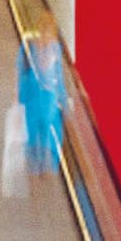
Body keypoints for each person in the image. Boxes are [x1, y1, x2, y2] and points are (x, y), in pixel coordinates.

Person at [17, 10, 68, 176]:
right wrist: (18, 97)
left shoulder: (55, 49)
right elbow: (20, 72)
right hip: (31, 95)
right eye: (45, 30)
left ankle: (45, 163)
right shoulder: (28, 47)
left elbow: (58, 75)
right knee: (33, 130)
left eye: (50, 31)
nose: (48, 35)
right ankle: (35, 162)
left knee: (47, 128)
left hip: (48, 97)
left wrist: (64, 100)